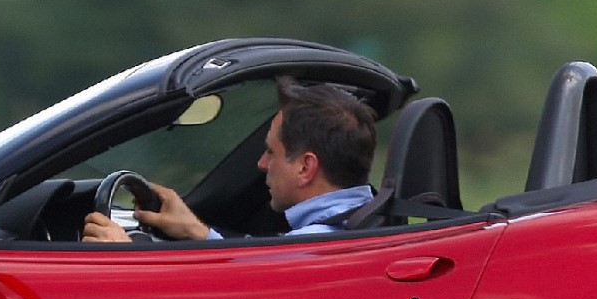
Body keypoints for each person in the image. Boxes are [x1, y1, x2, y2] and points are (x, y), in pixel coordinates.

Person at [81, 77, 377, 243]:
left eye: (271, 152)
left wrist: (126, 258)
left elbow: (214, 295)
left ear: (305, 167)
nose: (261, 164)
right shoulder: (363, 224)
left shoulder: (314, 246)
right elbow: (251, 271)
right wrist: (197, 232)